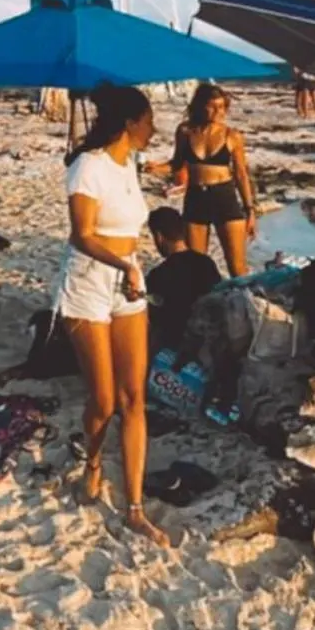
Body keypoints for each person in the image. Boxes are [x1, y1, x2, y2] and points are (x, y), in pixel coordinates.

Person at [55, 83, 169, 546]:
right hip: (89, 280)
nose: (153, 129)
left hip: (128, 279)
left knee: (134, 397)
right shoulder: (88, 166)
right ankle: (93, 461)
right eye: (149, 121)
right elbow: (81, 234)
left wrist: (130, 267)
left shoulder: (129, 165)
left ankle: (135, 508)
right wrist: (123, 265)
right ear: (130, 123)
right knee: (103, 400)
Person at [170, 82, 257, 278]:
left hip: (224, 197)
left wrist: (250, 210)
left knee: (237, 269)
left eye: (222, 107)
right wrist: (151, 167)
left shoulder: (232, 136)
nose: (218, 111)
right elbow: (176, 164)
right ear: (200, 106)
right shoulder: (185, 132)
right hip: (195, 198)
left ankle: (245, 298)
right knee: (195, 268)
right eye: (212, 106)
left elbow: (241, 174)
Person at [146, 206, 222, 350]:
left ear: (159, 237)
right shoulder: (206, 263)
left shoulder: (158, 274)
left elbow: (153, 316)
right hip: (208, 338)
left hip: (175, 342)